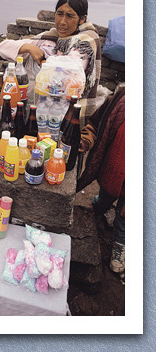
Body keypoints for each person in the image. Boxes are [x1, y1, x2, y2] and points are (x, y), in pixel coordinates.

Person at [0, 0, 102, 126]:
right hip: (38, 113)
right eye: (59, 14)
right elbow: (2, 47)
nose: (62, 22)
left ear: (82, 19)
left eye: (70, 16)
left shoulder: (86, 41)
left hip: (64, 118)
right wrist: (29, 47)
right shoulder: (49, 37)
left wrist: (45, 64)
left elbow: (68, 77)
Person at [76, 85, 125, 273]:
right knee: (105, 196)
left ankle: (120, 245)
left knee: (124, 217)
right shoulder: (121, 99)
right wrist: (86, 139)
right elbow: (96, 124)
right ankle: (99, 207)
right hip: (112, 172)